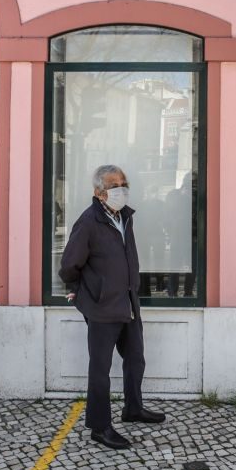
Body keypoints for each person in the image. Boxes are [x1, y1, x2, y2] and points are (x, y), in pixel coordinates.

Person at [59, 164, 166, 450]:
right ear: (99, 192)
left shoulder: (124, 217)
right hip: (102, 307)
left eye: (123, 183)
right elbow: (69, 264)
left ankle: (133, 408)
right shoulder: (89, 222)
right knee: (100, 369)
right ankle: (100, 426)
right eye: (113, 185)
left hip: (128, 302)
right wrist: (80, 290)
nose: (121, 189)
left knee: (135, 358)